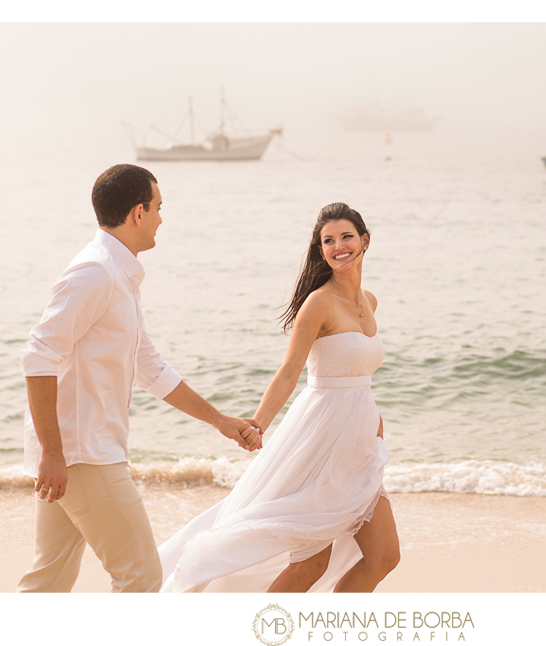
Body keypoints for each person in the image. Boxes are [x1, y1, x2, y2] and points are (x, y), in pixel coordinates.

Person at [16, 164, 261, 593]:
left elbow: (151, 368)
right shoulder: (95, 272)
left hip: (75, 452)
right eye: (159, 208)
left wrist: (221, 421)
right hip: (81, 454)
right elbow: (39, 356)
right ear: (137, 213)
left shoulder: (119, 275)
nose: (162, 219)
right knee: (141, 576)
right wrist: (53, 452)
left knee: (47, 582)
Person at [158, 202, 400, 593]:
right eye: (329, 241)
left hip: (361, 447)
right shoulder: (318, 302)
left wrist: (374, 431)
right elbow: (289, 373)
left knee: (383, 557)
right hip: (323, 443)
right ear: (320, 250)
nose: (339, 246)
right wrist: (258, 424)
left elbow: (360, 383)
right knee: (311, 565)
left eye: (346, 237)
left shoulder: (369, 302)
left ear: (365, 241)